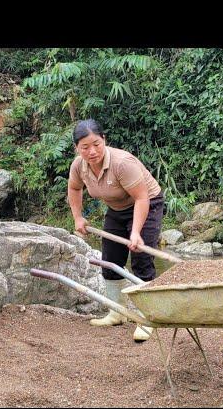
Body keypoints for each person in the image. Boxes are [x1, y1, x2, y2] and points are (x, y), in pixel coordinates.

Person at [68, 119, 165, 342]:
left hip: (146, 203)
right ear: (77, 148)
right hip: (117, 209)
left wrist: (136, 232)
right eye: (85, 147)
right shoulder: (78, 166)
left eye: (96, 144)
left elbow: (142, 198)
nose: (92, 151)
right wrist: (78, 217)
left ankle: (146, 319)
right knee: (110, 259)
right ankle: (117, 313)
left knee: (141, 257)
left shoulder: (122, 163)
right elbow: (74, 189)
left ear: (104, 140)